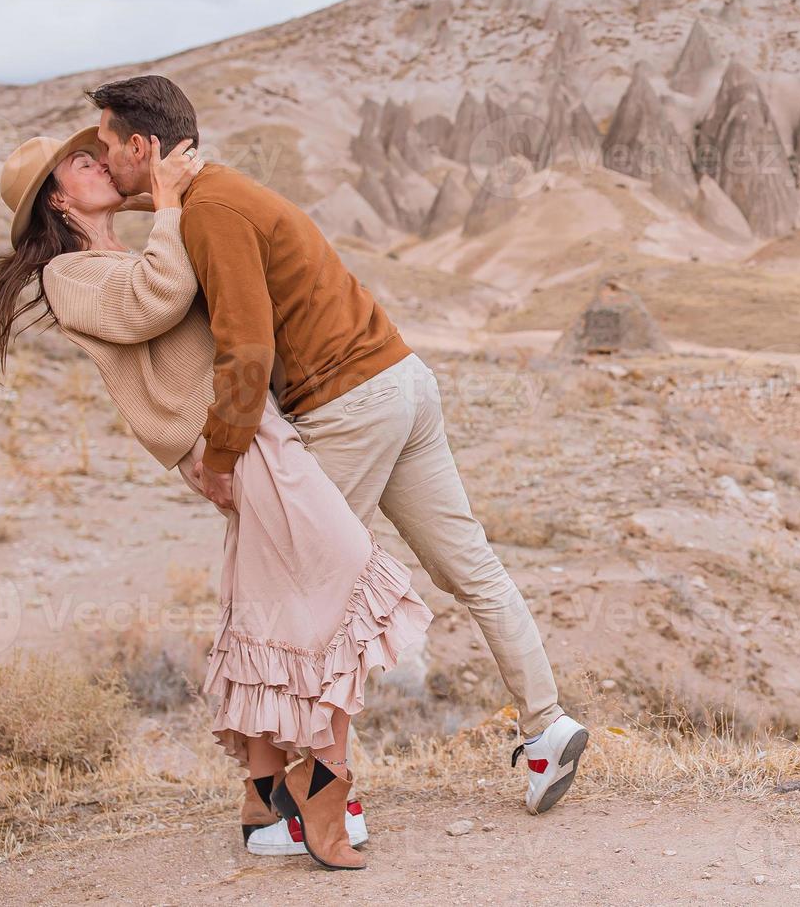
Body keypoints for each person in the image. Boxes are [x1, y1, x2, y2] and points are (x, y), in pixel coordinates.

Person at [84, 75, 590, 817]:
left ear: (143, 145)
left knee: (310, 596)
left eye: (106, 150)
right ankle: (547, 725)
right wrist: (147, 198)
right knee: (470, 566)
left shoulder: (211, 212)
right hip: (403, 381)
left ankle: (323, 800)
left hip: (349, 405)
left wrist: (221, 457)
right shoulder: (222, 191)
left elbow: (247, 347)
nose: (101, 165)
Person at [0, 129, 433, 871]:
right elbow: (161, 296)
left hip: (243, 435)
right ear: (57, 197)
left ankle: (266, 802)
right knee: (341, 582)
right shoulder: (69, 276)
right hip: (237, 446)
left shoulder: (103, 260)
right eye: (82, 162)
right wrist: (173, 202)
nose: (101, 163)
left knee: (263, 608)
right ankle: (322, 788)